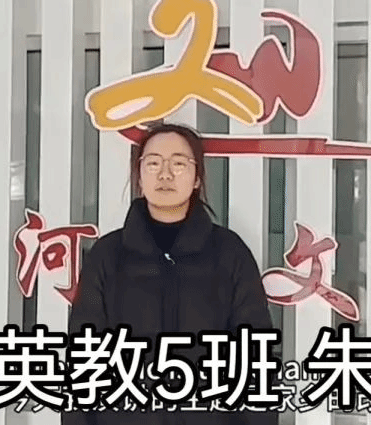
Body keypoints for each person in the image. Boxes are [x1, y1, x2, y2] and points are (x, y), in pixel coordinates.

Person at [64, 122, 279, 425]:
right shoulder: (108, 255)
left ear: (197, 177)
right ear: (139, 175)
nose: (165, 174)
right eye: (153, 163)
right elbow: (82, 358)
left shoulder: (229, 254)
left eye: (178, 164)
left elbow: (255, 357)